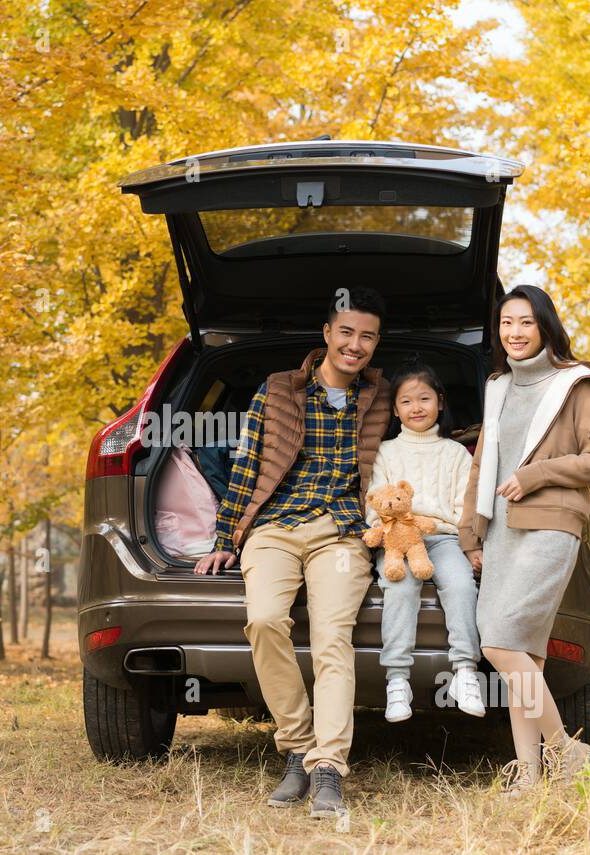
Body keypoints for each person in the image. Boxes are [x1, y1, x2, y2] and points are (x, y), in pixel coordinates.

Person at [195, 286, 391, 820]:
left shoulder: (380, 397)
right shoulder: (278, 389)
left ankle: (328, 767)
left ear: (375, 344)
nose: (355, 345)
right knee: (263, 621)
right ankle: (298, 748)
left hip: (342, 533)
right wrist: (222, 538)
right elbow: (247, 465)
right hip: (274, 528)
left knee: (333, 638)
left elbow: (422, 436)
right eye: (346, 332)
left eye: (367, 336)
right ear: (326, 334)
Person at [457, 285, 590, 796]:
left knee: (500, 642)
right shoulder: (497, 387)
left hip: (550, 527)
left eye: (525, 322)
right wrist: (470, 535)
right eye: (506, 323)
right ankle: (528, 776)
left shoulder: (577, 383)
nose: (515, 333)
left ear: (545, 326)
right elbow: (482, 466)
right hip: (501, 530)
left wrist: (537, 474)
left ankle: (567, 750)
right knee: (524, 655)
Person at [366, 361, 485, 723]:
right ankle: (397, 680)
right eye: (406, 401)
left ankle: (465, 671)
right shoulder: (386, 451)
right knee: (400, 587)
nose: (416, 407)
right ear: (395, 409)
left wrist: (470, 546)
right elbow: (375, 499)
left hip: (442, 538)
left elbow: (464, 508)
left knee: (462, 585)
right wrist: (382, 528)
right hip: (396, 539)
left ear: (440, 403)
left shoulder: (454, 454)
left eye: (424, 398)